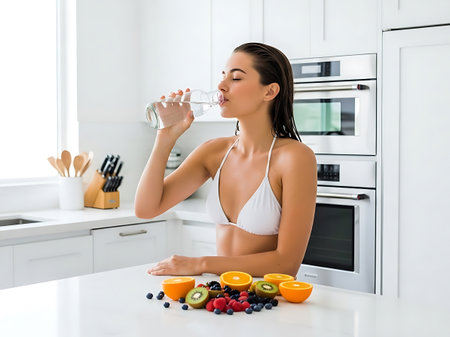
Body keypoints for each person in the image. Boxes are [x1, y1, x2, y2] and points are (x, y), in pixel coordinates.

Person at [135, 42, 317, 277]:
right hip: (223, 298)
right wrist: (164, 139)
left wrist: (200, 264)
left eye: (236, 78)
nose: (221, 86)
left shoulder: (295, 158)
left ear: (269, 91)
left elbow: (286, 264)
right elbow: (146, 209)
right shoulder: (213, 152)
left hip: (265, 300)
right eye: (223, 76)